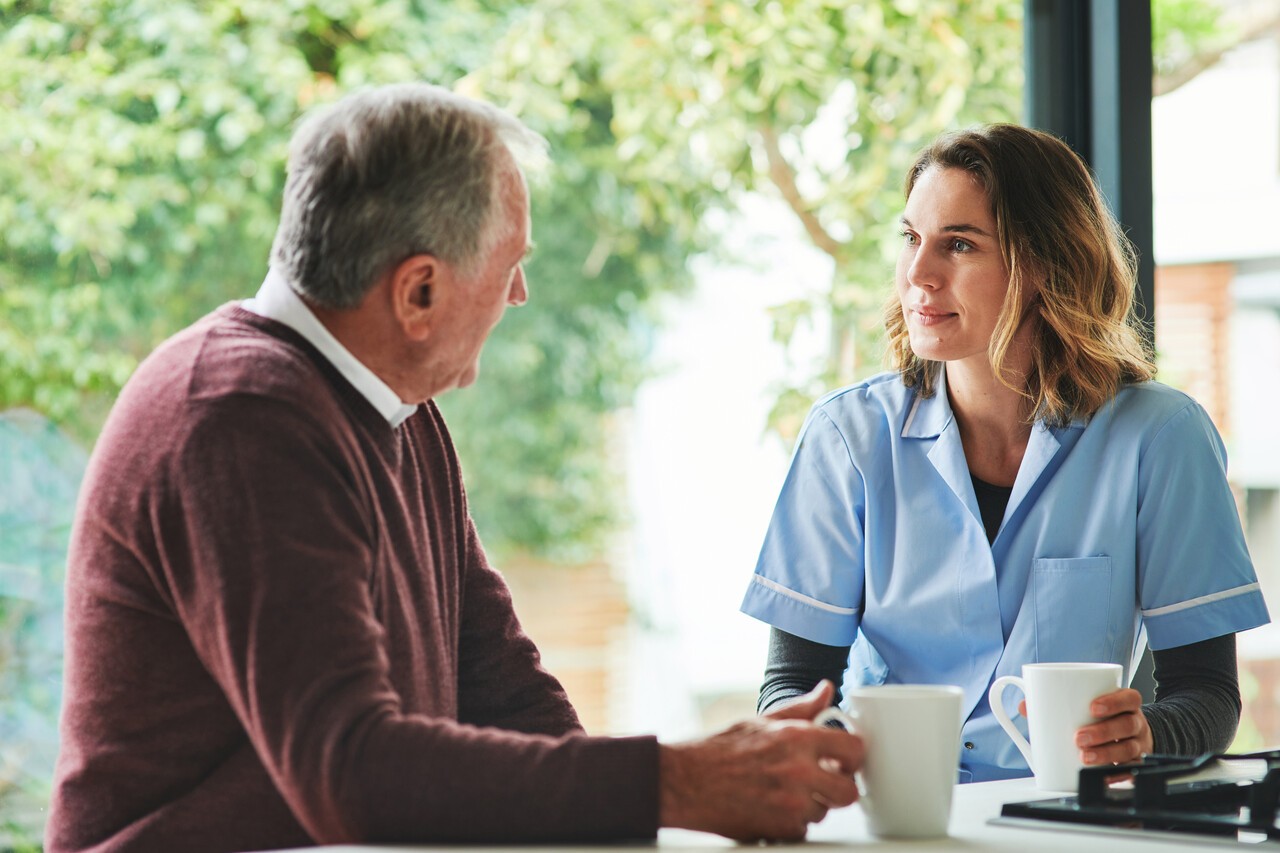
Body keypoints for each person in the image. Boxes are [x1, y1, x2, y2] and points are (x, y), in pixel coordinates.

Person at [46, 83, 864, 853]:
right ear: (419, 292)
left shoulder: (398, 408)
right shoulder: (238, 413)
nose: (520, 294)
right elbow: (351, 770)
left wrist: (691, 787)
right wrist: (679, 782)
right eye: (509, 265)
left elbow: (505, 692)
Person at [741, 123, 1270, 784]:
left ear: (1045, 263)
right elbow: (792, 686)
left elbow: (1208, 694)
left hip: (1066, 817)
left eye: (958, 244)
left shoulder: (1162, 438)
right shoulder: (846, 438)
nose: (918, 273)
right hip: (897, 812)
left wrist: (1146, 737)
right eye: (911, 238)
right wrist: (829, 758)